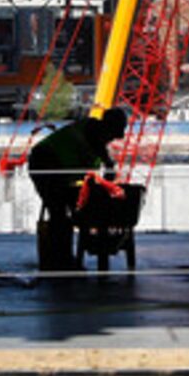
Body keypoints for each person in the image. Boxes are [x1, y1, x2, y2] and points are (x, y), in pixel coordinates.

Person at [27, 105, 127, 270]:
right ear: (108, 126)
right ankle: (59, 261)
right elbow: (104, 160)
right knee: (58, 213)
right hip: (45, 162)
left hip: (54, 168)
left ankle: (62, 259)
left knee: (62, 213)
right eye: (111, 135)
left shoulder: (95, 138)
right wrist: (109, 174)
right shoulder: (93, 130)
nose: (110, 140)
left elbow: (84, 170)